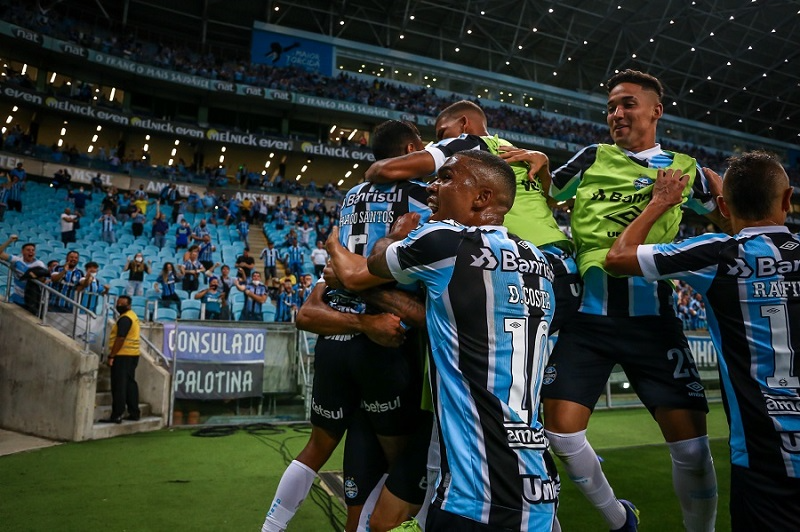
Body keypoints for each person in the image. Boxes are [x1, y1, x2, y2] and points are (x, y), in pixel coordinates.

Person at [543, 69, 724, 532]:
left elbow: (729, 206)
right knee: (560, 433)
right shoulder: (590, 157)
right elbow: (541, 194)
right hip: (588, 320)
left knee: (691, 449)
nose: (617, 114)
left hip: (653, 321)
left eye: (627, 104)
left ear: (655, 111)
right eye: (611, 107)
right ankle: (620, 519)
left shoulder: (684, 168)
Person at [360, 150, 559, 531]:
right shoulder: (539, 260)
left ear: (482, 198)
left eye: (446, 178)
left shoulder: (445, 242)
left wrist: (394, 237)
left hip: (475, 497)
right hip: (539, 491)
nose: (431, 187)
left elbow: (375, 264)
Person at [604, 152, 800, 531]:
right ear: (788, 199)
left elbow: (618, 257)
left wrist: (660, 203)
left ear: (725, 206)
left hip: (765, 457)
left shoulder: (717, 255)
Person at [262, 120, 432, 532]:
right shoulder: (418, 196)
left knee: (320, 444)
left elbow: (324, 288)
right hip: (385, 336)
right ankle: (418, 526)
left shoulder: (353, 195)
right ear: (410, 148)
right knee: (398, 456)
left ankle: (271, 527)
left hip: (335, 331)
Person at [367, 99, 580, 332]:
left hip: (526, 268)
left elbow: (384, 169)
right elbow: (549, 200)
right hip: (563, 265)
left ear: (464, 124)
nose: (440, 142)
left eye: (442, 133)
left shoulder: (469, 145)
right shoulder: (513, 153)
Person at [100, 295, 141, 424]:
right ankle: (134, 412)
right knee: (130, 384)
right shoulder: (133, 316)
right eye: (118, 303)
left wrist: (112, 355)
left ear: (128, 305)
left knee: (119, 386)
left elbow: (120, 338)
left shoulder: (125, 319)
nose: (119, 306)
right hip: (133, 355)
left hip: (123, 355)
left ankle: (117, 414)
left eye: (121, 304)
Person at [0, 236, 46, 306]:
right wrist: (9, 241)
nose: (31, 252)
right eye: (28, 250)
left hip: (30, 300)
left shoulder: (39, 264)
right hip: (16, 297)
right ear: (22, 251)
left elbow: (43, 280)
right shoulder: (17, 260)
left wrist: (36, 276)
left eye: (33, 250)